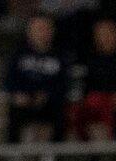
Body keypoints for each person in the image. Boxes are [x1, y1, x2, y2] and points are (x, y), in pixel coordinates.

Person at [4, 14, 71, 144]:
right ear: (29, 31)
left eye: (45, 28)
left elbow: (64, 83)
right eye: (38, 29)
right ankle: (13, 154)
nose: (42, 33)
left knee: (61, 113)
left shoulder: (61, 56)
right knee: (15, 112)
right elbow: (9, 79)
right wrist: (18, 94)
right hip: (24, 102)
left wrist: (48, 95)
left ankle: (52, 155)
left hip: (50, 103)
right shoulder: (18, 54)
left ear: (52, 31)